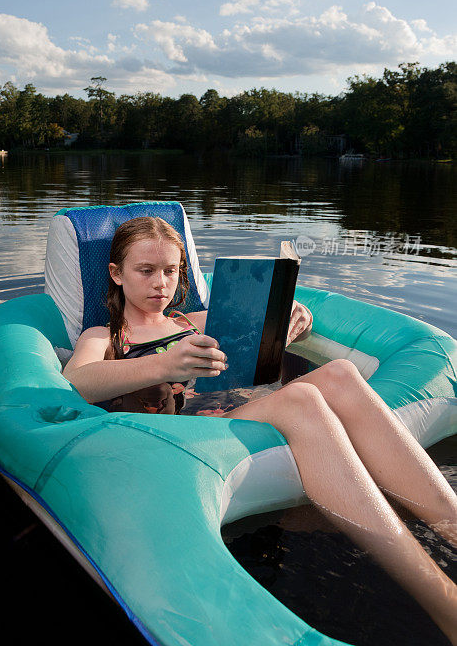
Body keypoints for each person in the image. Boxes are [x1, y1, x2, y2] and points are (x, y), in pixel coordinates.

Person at [63, 216, 457, 643]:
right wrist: (161, 364)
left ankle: (452, 525)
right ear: (117, 273)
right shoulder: (105, 335)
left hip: (241, 407)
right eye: (146, 271)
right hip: (190, 434)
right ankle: (443, 600)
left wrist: (293, 316)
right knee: (301, 399)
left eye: (171, 271)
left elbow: (254, 337)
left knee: (341, 373)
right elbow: (76, 383)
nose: (161, 283)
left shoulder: (194, 320)